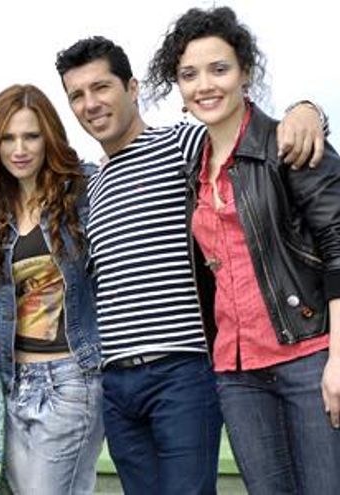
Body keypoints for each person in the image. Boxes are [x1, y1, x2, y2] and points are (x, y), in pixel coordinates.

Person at [55, 36, 326, 494]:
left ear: (133, 88)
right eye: (77, 95)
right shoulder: (92, 185)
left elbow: (248, 131)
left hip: (181, 371)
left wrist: (307, 110)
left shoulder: (183, 143)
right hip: (117, 383)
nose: (90, 103)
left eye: (101, 87)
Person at [145, 6, 340, 494]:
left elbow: (338, 248)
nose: (205, 85)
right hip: (236, 371)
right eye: (189, 75)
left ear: (245, 72)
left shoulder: (288, 144)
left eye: (219, 69)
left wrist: (339, 360)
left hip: (309, 356)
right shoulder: (193, 168)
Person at [0, 84, 103, 494]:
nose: (19, 149)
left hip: (71, 377)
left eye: (31, 136)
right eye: (8, 138)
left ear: (49, 137)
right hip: (13, 381)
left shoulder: (83, 191)